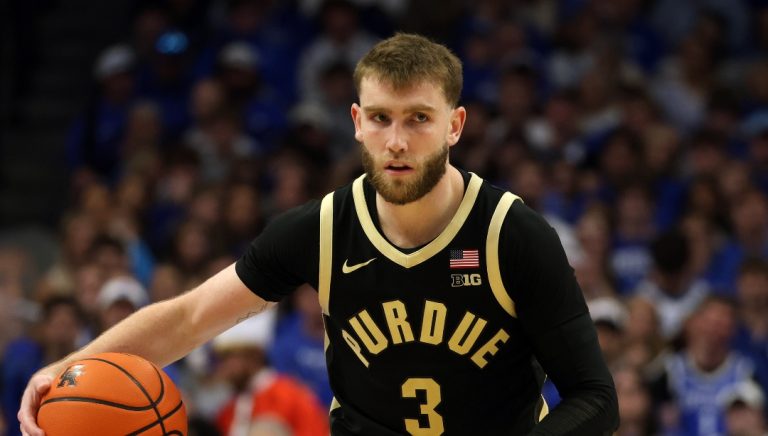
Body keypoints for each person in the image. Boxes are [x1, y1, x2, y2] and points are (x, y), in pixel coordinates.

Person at [19, 33, 618, 435]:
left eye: (419, 119)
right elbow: (188, 318)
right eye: (381, 118)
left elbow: (596, 398)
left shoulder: (513, 235)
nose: (398, 141)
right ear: (357, 122)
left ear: (455, 126)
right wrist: (65, 367)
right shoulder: (323, 228)